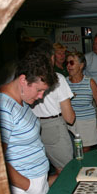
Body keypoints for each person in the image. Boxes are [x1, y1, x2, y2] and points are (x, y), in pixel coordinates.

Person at [0, 52, 58, 194]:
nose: (40, 97)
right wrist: (28, 186)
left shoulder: (20, 101)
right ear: (23, 80)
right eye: (39, 90)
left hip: (35, 183)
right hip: (24, 190)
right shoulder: (4, 108)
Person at [30, 40, 75, 175]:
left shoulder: (27, 76)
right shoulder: (57, 78)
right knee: (66, 170)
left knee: (40, 172)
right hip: (54, 127)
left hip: (32, 126)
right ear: (51, 57)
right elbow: (69, 118)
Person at [66, 52, 97, 152]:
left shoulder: (90, 82)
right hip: (70, 122)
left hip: (87, 121)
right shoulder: (64, 83)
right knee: (71, 150)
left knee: (85, 149)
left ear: (81, 65)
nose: (68, 65)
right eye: (67, 63)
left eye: (72, 62)